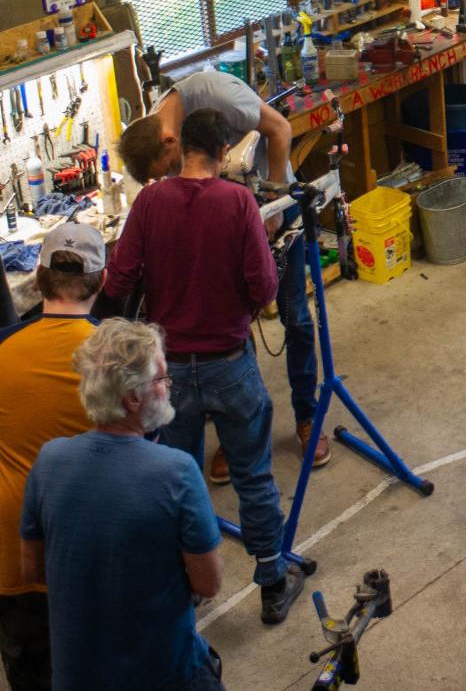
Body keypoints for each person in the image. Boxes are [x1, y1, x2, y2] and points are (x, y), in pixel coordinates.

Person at [103, 108, 307, 626]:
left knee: (180, 479)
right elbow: (264, 288)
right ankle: (272, 582)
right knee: (252, 475)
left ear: (180, 150)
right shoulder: (237, 202)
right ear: (221, 152)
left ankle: (190, 585)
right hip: (229, 363)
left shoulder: (150, 202)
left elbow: (119, 278)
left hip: (167, 372)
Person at [117, 67, 328, 476]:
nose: (167, 178)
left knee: (296, 318)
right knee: (232, 330)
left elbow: (281, 129)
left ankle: (307, 417)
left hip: (271, 210)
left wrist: (273, 202)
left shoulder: (219, 94)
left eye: (165, 168)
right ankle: (238, 432)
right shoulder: (158, 119)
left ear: (170, 142)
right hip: (228, 217)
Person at [19, 319, 227, 691]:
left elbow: (32, 569)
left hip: (76, 676)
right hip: (163, 674)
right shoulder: (176, 472)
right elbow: (208, 583)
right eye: (161, 378)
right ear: (132, 398)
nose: (168, 385)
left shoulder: (49, 461)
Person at [0, 224, 104, 691]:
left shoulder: (4, 349)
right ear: (103, 280)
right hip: (94, 554)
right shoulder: (120, 357)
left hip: (14, 559)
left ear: (39, 279)